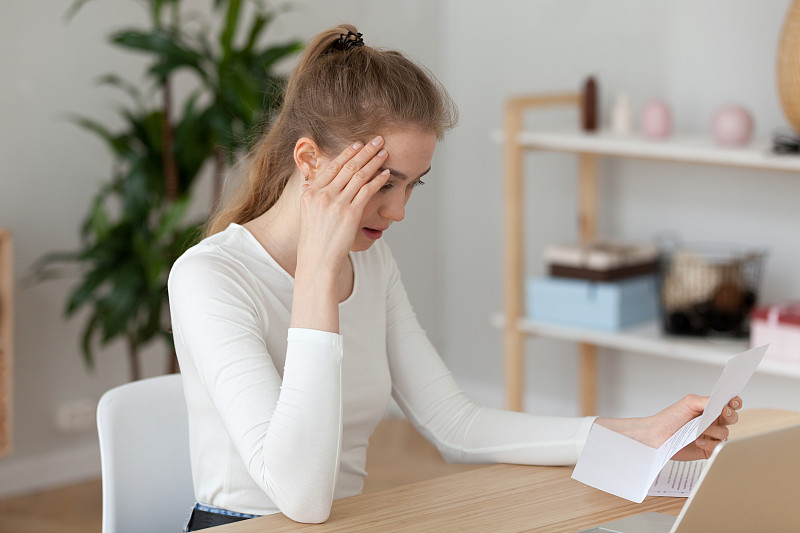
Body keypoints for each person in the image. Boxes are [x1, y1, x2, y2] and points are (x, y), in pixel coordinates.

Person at [167, 25, 741, 531]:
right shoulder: (210, 277)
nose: (398, 211)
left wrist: (639, 433)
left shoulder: (371, 263)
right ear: (310, 160)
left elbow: (457, 425)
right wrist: (317, 275)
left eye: (414, 184)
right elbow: (301, 497)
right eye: (384, 182)